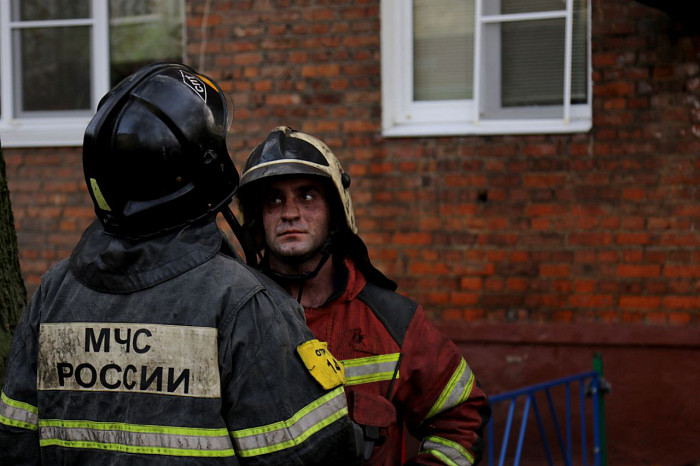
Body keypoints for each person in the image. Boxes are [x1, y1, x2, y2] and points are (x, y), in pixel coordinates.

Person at [0, 65, 362, 465]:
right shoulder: (243, 303)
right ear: (204, 172)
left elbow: (16, 443)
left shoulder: (53, 293)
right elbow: (310, 456)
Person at [236, 126, 491, 465]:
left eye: (307, 196)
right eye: (274, 200)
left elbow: (461, 421)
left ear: (336, 213)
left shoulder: (394, 323)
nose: (289, 213)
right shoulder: (233, 317)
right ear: (258, 219)